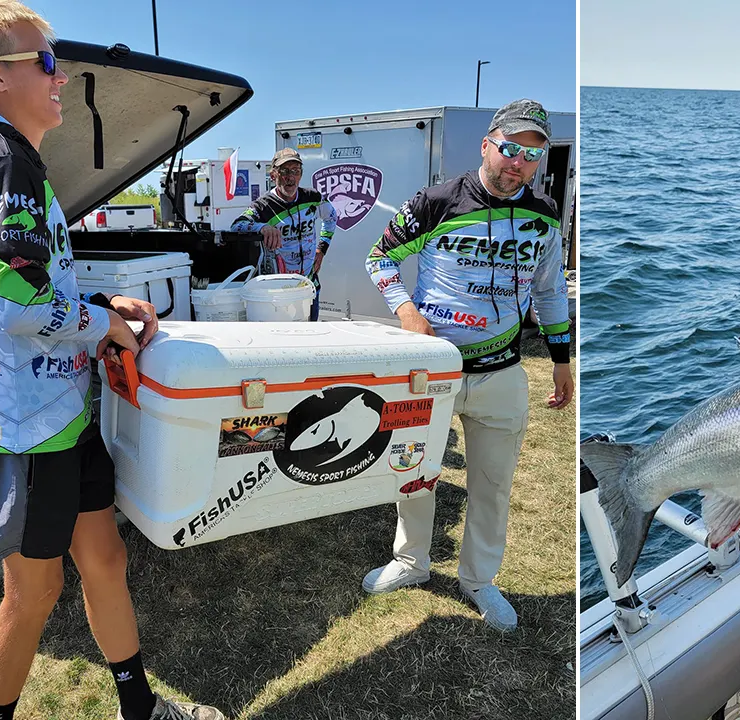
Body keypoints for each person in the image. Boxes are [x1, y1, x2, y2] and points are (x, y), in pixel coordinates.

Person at [0, 2, 224, 719]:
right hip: (25, 423)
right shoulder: (0, 162)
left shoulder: (4, 158)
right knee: (32, 594)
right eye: (46, 61)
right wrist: (105, 324)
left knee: (105, 559)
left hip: (57, 409)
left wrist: (101, 303)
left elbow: (35, 281)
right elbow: (24, 308)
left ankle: (140, 709)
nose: (61, 76)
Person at [362, 99, 574, 632]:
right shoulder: (435, 202)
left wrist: (560, 360)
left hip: (503, 372)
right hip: (433, 370)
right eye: (509, 149)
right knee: (414, 470)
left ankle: (479, 580)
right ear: (487, 144)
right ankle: (411, 562)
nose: (517, 163)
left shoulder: (546, 213)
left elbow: (550, 292)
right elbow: (378, 257)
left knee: (492, 483)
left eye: (532, 154)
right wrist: (406, 311)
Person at [230, 147, 337, 320]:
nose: (290, 177)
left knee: (311, 339)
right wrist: (262, 227)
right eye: (284, 171)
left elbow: (332, 218)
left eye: (295, 171)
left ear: (301, 174)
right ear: (273, 176)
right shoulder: (263, 205)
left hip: (309, 286)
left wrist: (322, 249)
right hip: (279, 293)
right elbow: (237, 225)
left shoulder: (313, 197)